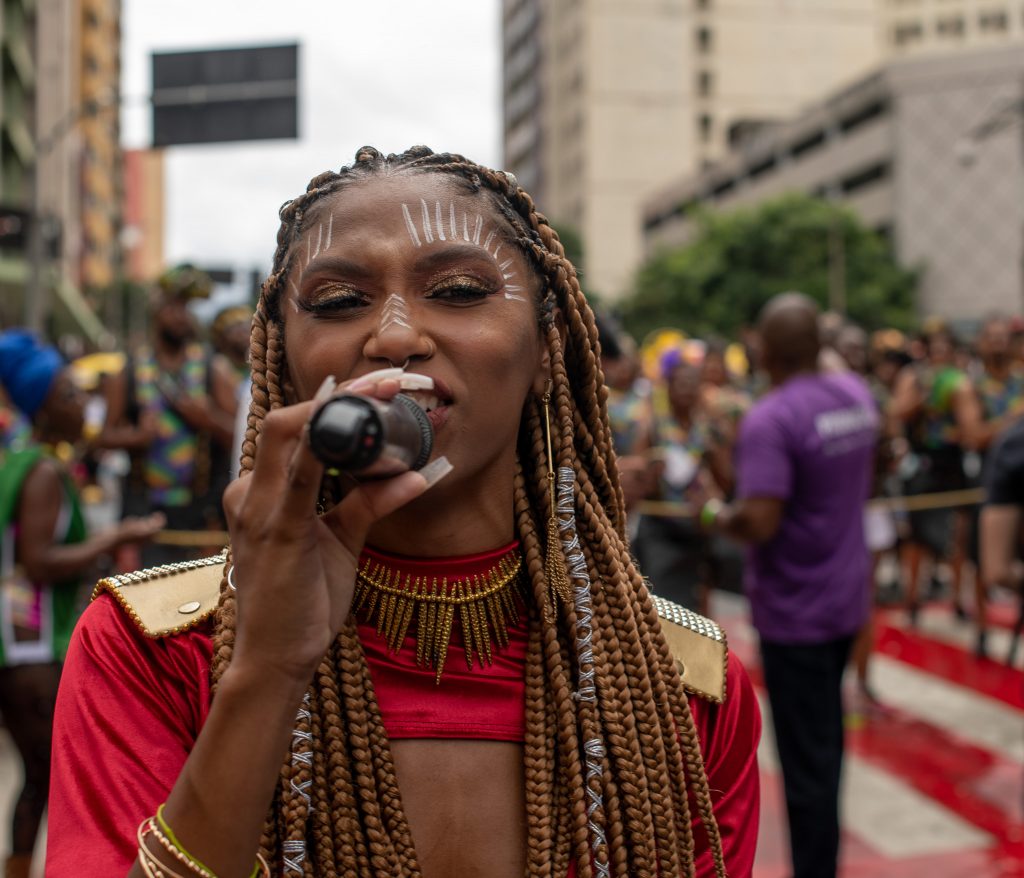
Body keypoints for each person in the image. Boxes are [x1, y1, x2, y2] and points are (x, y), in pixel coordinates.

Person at [49, 147, 761, 878]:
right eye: (336, 303)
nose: (393, 336)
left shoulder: (680, 689)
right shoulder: (148, 651)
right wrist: (264, 670)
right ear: (283, 357)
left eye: (456, 290)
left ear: (549, 348)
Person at [701, 293, 877, 878]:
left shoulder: (771, 419)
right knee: (826, 745)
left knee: (806, 765)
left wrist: (710, 511)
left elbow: (759, 521)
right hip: (846, 598)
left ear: (765, 350)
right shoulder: (854, 396)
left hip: (797, 612)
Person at [0, 331, 163, 878]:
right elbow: (40, 560)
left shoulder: (26, 460)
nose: (83, 405)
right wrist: (117, 535)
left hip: (21, 643)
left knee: (36, 777)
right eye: (70, 394)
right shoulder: (42, 470)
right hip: (31, 646)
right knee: (47, 777)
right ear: (42, 404)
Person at [100, 265, 237, 565]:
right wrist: (137, 437)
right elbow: (103, 437)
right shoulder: (130, 370)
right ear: (156, 309)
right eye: (173, 306)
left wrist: (208, 419)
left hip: (202, 520)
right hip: (144, 519)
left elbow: (243, 438)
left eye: (187, 307)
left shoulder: (214, 369)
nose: (181, 315)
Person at [889, 319, 982, 625]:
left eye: (946, 346)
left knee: (959, 532)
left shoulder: (962, 380)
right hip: (922, 462)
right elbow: (898, 412)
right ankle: (913, 599)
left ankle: (958, 600)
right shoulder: (914, 377)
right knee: (917, 537)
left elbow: (971, 426)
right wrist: (924, 395)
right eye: (935, 346)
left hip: (953, 463)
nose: (940, 352)